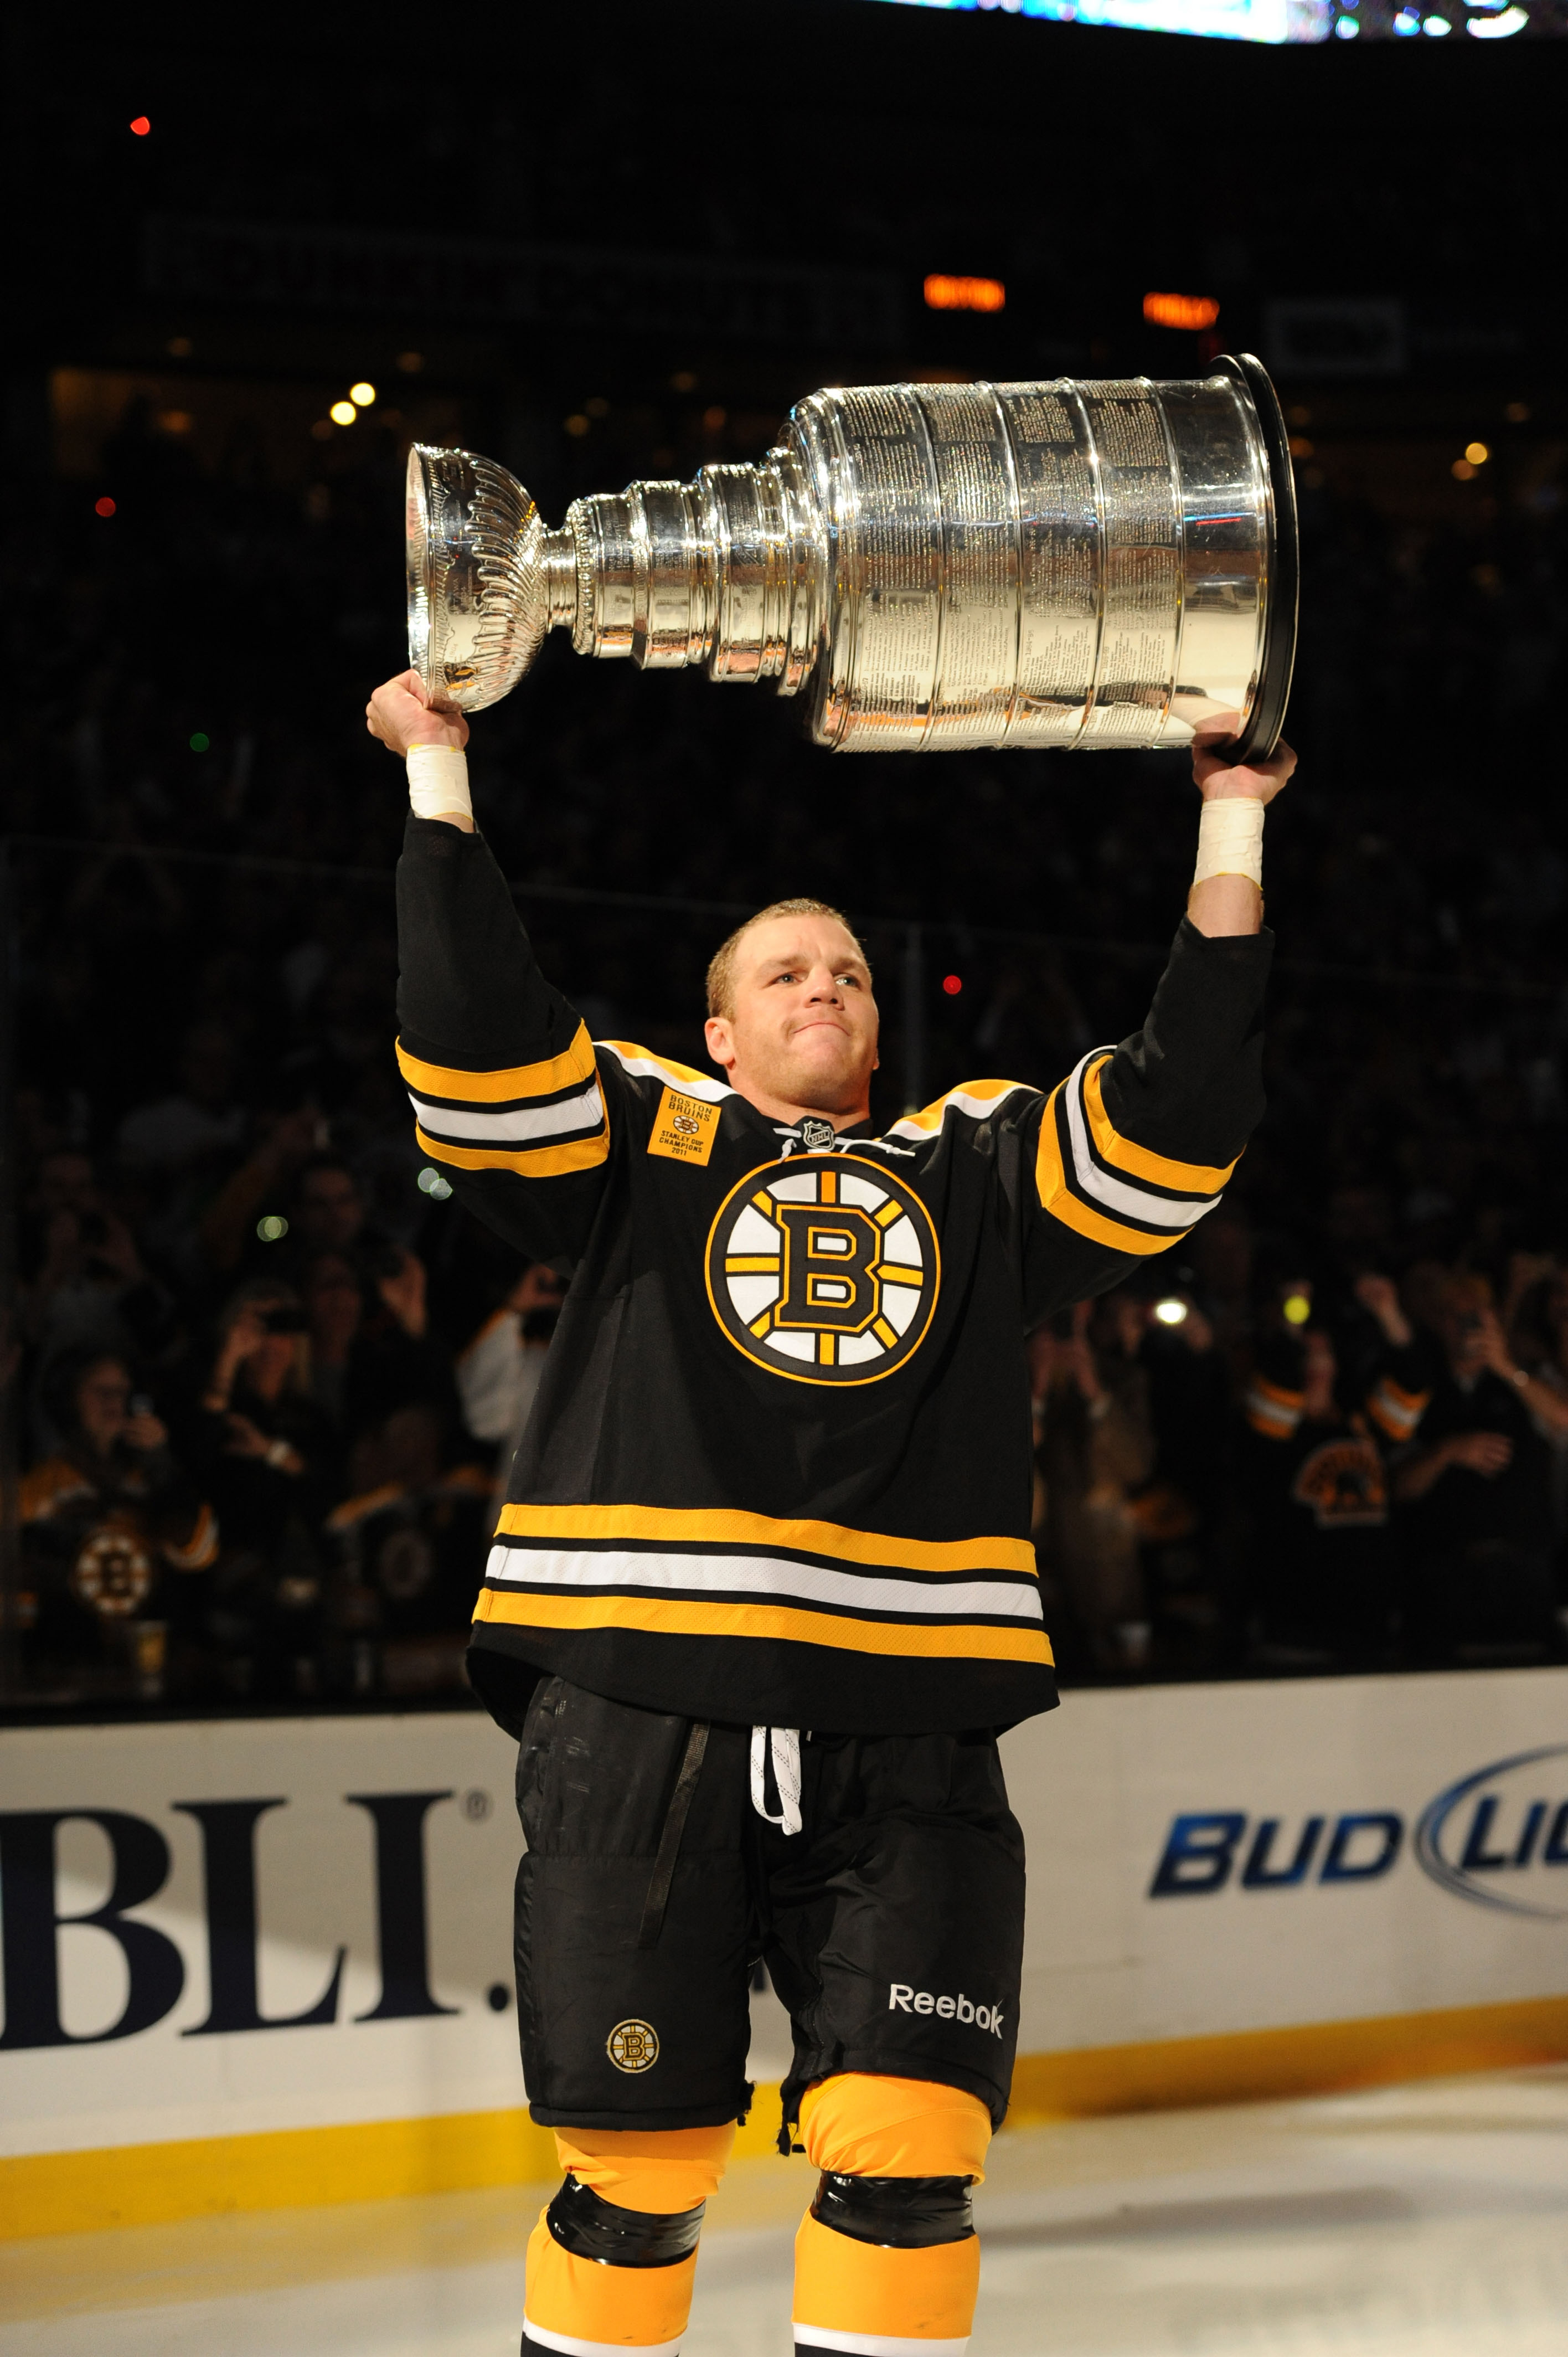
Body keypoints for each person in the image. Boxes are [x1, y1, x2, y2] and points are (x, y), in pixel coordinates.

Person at [368, 664, 1289, 2357]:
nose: (827, 985)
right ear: (717, 1028)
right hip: (641, 1688)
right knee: (635, 2165)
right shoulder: (643, 1131)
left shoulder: (980, 1165)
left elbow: (1184, 1109)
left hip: (910, 1713)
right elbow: (478, 1034)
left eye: (853, 971)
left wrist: (1232, 807)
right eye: (785, 969)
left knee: (912, 2151)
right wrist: (439, 771)